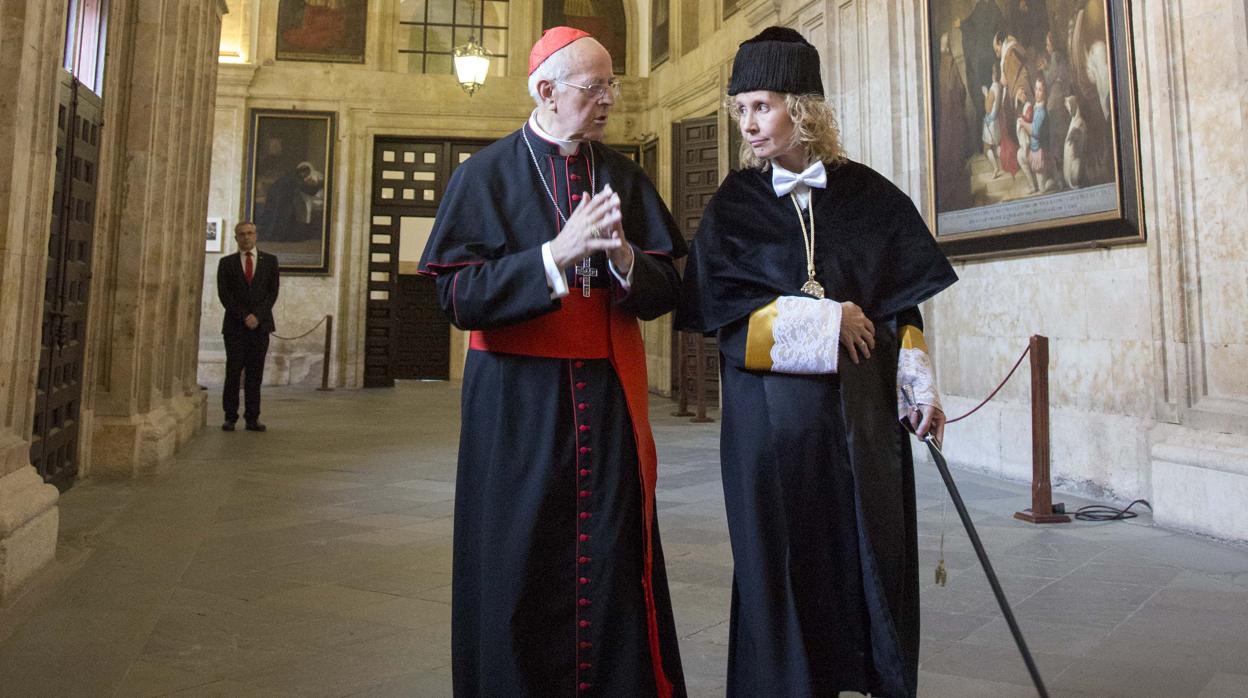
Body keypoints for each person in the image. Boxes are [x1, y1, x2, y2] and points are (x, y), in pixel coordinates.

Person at [677, 27, 958, 698]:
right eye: (740, 109)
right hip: (770, 438)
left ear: (802, 108)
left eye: (762, 106)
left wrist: (920, 387)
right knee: (782, 566)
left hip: (859, 429)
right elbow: (726, 325)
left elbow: (902, 306)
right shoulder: (733, 209)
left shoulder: (869, 196)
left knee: (862, 558)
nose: (748, 124)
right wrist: (828, 322)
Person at [417, 27, 686, 697]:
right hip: (517, 407)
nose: (610, 102)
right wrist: (553, 256)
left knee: (615, 559)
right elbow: (454, 295)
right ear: (545, 91)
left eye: (612, 86)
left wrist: (624, 258)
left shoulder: (621, 174)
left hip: (606, 403)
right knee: (518, 563)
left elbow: (669, 285)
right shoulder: (484, 175)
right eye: (597, 88)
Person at [217, 221, 280, 432]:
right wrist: (245, 316)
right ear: (236, 238)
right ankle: (230, 416)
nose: (246, 237)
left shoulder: (270, 261)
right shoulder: (227, 263)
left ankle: (253, 417)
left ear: (256, 235)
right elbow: (225, 295)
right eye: (242, 234)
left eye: (250, 233)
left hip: (260, 326)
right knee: (233, 372)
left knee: (255, 373)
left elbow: (272, 293)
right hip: (235, 326)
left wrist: (257, 316)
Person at [256, 161, 324, 243]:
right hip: (280, 200)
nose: (306, 177)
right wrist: (322, 184)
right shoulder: (296, 177)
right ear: (303, 172)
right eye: (306, 175)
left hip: (276, 198)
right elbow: (310, 191)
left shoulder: (291, 175)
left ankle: (274, 238)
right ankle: (275, 238)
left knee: (276, 219)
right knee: (280, 219)